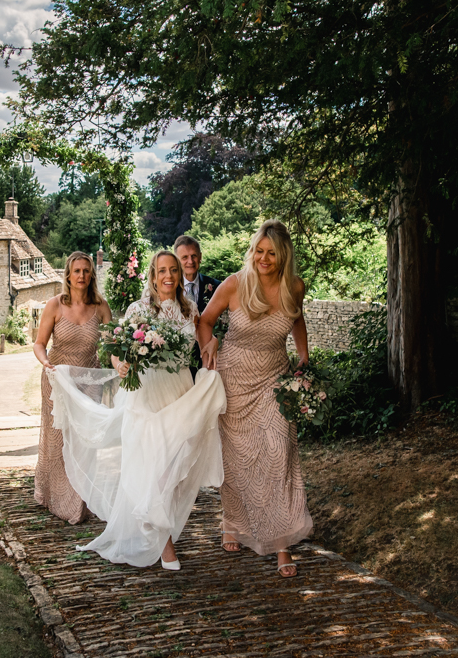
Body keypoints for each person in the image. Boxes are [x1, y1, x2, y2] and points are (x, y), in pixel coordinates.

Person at [49, 250, 227, 570]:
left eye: (173, 270)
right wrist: (119, 365)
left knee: (175, 466)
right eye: (162, 270)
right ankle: (164, 541)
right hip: (146, 394)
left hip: (179, 394)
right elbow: (116, 348)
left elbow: (202, 344)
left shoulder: (190, 311)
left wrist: (212, 343)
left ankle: (156, 523)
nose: (169, 276)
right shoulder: (138, 309)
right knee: (156, 469)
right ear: (153, 274)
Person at [196, 219, 313, 578]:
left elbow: (296, 320)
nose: (263, 258)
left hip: (274, 380)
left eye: (271, 253)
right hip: (233, 379)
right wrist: (208, 345)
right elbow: (205, 321)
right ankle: (232, 522)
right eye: (259, 251)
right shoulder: (235, 283)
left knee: (279, 453)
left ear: (283, 255)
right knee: (237, 460)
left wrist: (304, 358)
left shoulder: (295, 285)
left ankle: (281, 545)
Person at [33, 251, 112, 524]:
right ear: (68, 274)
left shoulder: (101, 306)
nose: (82, 276)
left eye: (86, 271)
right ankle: (55, 497)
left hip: (90, 381)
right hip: (58, 380)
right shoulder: (54, 305)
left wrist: (121, 364)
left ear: (91, 275)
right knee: (58, 441)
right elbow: (39, 344)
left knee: (86, 441)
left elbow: (113, 346)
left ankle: (81, 500)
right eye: (77, 271)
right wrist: (46, 364)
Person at [174, 235, 222, 379]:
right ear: (176, 260)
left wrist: (217, 338)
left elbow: (227, 322)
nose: (190, 261)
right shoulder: (169, 288)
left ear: (200, 257)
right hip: (177, 363)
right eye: (184, 257)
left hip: (209, 359)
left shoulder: (216, 287)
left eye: (194, 256)